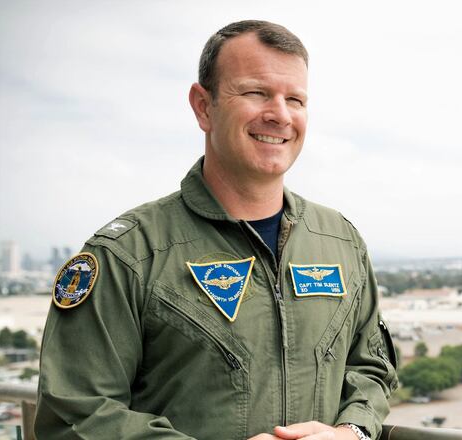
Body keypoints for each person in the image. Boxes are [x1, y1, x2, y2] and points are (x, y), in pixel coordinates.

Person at [36, 20, 398, 440]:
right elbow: (73, 417)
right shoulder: (128, 254)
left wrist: (351, 432)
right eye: (256, 92)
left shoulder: (340, 241)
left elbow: (371, 366)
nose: (279, 114)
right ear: (204, 106)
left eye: (295, 99)